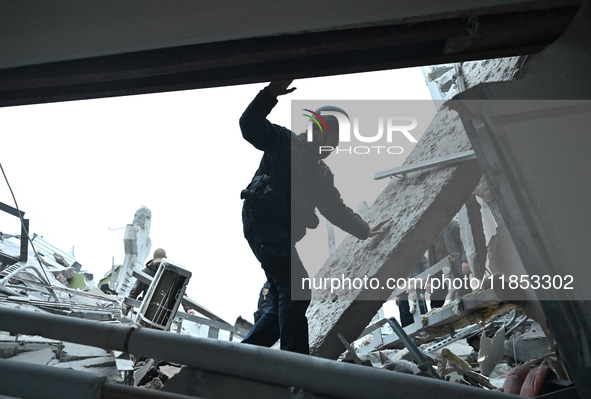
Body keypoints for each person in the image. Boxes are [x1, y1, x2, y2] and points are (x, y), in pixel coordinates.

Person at [239, 80, 387, 354]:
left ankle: (239, 356)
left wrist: (364, 230)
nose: (336, 146)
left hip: (279, 234)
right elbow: (248, 125)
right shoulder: (286, 143)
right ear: (320, 132)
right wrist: (269, 95)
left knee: (286, 297)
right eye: (334, 139)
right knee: (296, 287)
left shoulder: (321, 174)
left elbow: (335, 208)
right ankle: (296, 363)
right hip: (264, 223)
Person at [427, 220, 471, 309]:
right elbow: (432, 256)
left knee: (464, 294)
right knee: (436, 297)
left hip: (456, 266)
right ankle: (437, 319)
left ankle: (471, 314)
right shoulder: (430, 234)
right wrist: (429, 278)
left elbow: (465, 242)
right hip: (440, 269)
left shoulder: (451, 225)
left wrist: (465, 260)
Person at [396, 256, 429, 327]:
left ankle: (425, 328)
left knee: (420, 307)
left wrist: (427, 278)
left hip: (417, 284)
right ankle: (410, 335)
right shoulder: (395, 258)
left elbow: (425, 263)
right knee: (404, 309)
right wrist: (397, 295)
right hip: (403, 289)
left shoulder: (414, 251)